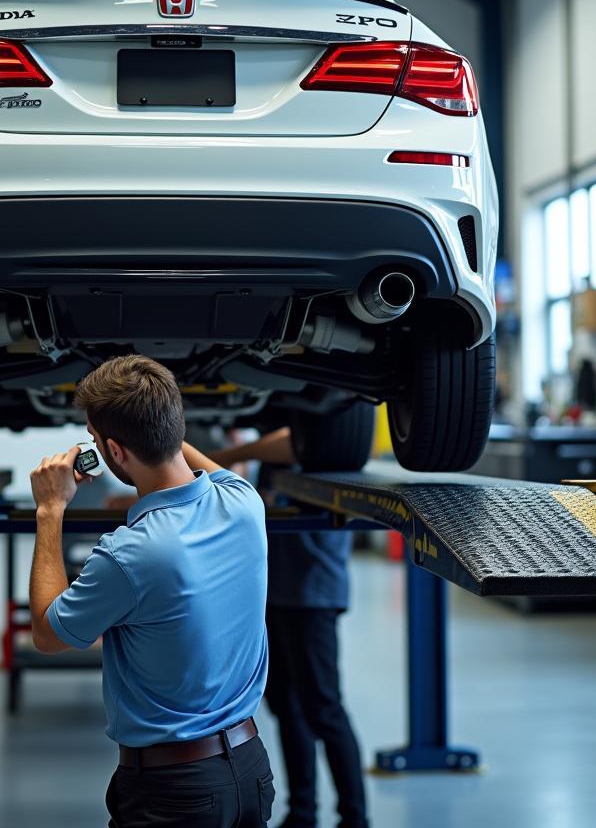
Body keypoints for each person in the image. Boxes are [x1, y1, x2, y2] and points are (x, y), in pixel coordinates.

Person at [28, 355, 276, 828]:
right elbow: (195, 463)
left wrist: (50, 510)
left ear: (115, 452)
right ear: (173, 423)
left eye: (98, 442)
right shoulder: (244, 504)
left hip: (175, 792)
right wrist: (150, 421)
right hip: (250, 770)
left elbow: (47, 633)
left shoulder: (129, 556)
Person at [209, 428, 369, 828]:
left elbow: (295, 440)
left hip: (313, 596)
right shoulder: (271, 460)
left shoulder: (324, 445)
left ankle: (355, 818)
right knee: (287, 707)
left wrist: (228, 453)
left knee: (324, 708)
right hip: (276, 595)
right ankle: (302, 812)